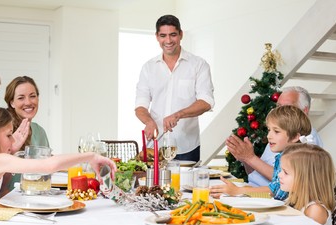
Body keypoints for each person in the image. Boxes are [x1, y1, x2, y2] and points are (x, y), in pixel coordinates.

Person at [0, 103, 116, 225]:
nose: (13, 141)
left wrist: (10, 148)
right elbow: (48, 165)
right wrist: (90, 156)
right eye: (8, 135)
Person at [135, 14, 215, 162]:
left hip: (187, 146)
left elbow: (206, 101)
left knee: (185, 186)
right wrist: (149, 122)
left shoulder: (199, 65)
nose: (168, 41)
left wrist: (178, 114)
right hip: (155, 145)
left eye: (173, 35)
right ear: (157, 37)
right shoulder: (148, 68)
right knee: (152, 186)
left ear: (181, 34)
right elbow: (140, 105)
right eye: (163, 35)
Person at [226, 86, 323, 187]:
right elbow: (256, 175)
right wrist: (245, 159)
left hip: (265, 197)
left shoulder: (306, 139)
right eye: (278, 106)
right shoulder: (277, 136)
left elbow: (289, 183)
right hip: (252, 189)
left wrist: (250, 158)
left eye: (287, 108)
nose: (279, 111)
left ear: (305, 111)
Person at [210, 105, 311, 200]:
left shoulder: (294, 160)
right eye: (269, 130)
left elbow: (275, 191)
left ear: (294, 137)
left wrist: (238, 191)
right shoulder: (283, 156)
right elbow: (273, 189)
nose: (269, 136)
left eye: (276, 131)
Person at [279, 144, 336, 225]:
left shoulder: (315, 210)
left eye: (286, 172)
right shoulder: (294, 199)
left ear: (306, 179)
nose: (279, 175)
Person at [4, 75, 49, 150]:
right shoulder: (4, 129)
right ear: (12, 103)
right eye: (21, 98)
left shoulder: (40, 131)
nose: (28, 102)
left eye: (32, 96)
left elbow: (47, 160)